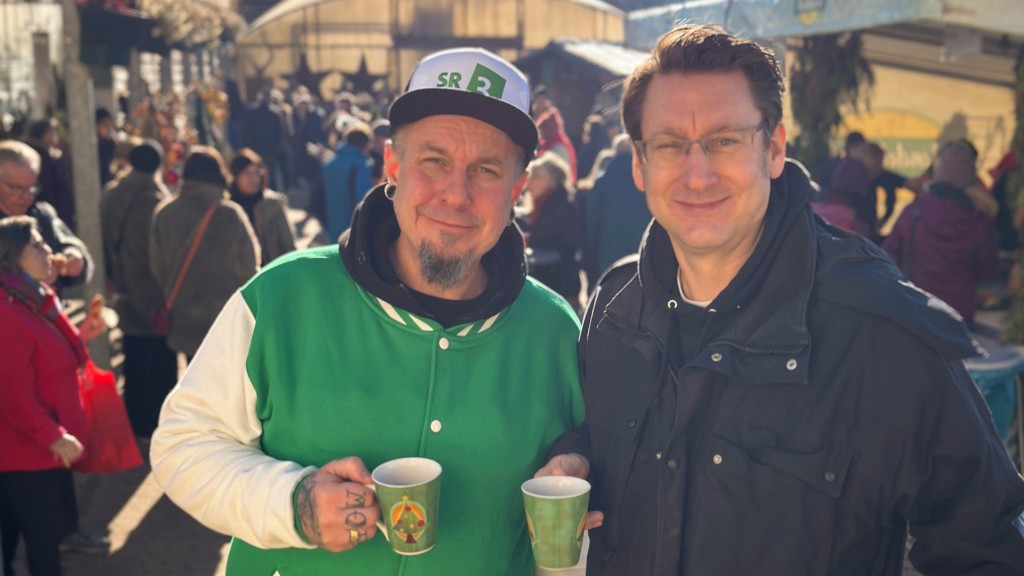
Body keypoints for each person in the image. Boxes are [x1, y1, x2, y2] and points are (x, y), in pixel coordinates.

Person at [538, 23, 1024, 575]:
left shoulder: (882, 333)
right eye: (670, 145)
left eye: (724, 140)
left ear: (772, 149)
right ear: (639, 164)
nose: (697, 175)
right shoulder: (613, 307)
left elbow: (986, 551)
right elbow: (609, 432)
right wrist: (577, 454)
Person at [150, 47, 584, 576]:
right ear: (392, 166)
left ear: (518, 189)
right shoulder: (283, 296)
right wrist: (293, 503)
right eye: (434, 161)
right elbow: (182, 444)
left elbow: (578, 495)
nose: (456, 194)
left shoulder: (555, 332)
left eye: (487, 170)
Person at [0, 215, 110, 576]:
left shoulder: (32, 296)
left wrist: (82, 335)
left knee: (36, 539)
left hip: (42, 446)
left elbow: (40, 354)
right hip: (25, 451)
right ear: (12, 256)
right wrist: (52, 435)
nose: (48, 250)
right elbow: (11, 389)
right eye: (36, 244)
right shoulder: (7, 308)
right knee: (40, 545)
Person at [149, 146, 259, 360]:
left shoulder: (165, 213)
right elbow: (247, 270)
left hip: (183, 318)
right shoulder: (230, 214)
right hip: (225, 321)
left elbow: (157, 267)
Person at [100, 140, 177, 440]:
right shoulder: (155, 198)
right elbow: (159, 252)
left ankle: (135, 421)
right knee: (159, 359)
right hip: (151, 288)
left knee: (132, 355)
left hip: (121, 283)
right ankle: (158, 424)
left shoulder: (111, 193)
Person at [883, 140, 1000, 327]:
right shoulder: (980, 221)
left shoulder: (913, 212)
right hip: (957, 312)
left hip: (915, 307)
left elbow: (888, 256)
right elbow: (988, 269)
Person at [0, 140, 92, 295]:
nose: (25, 196)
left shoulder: (43, 215)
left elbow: (74, 245)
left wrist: (75, 257)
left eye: (31, 188)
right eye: (15, 188)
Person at [582, 133, 651, 284]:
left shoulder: (603, 181)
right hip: (644, 250)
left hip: (608, 251)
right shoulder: (649, 180)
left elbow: (592, 220)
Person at [518, 151, 582, 306]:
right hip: (552, 277)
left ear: (552, 180)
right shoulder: (542, 202)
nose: (530, 182)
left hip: (559, 281)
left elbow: (542, 235)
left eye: (537, 176)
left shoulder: (559, 203)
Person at [228, 148, 297, 266]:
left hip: (271, 272)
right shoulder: (229, 207)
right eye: (248, 174)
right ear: (236, 177)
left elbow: (288, 246)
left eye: (257, 174)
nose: (254, 179)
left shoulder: (273, 204)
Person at [321, 121, 373, 241]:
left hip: (332, 223)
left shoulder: (329, 163)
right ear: (365, 144)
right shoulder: (361, 166)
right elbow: (363, 199)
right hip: (353, 228)